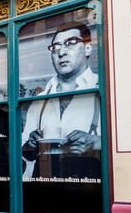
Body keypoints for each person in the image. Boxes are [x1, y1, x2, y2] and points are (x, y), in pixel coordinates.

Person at [22, 21, 101, 179]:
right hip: (44, 184)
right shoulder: (40, 100)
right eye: (55, 48)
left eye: (70, 43)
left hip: (89, 188)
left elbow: (126, 143)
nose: (61, 52)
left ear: (87, 48)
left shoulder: (102, 89)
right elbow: (24, 154)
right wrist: (28, 146)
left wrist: (96, 142)